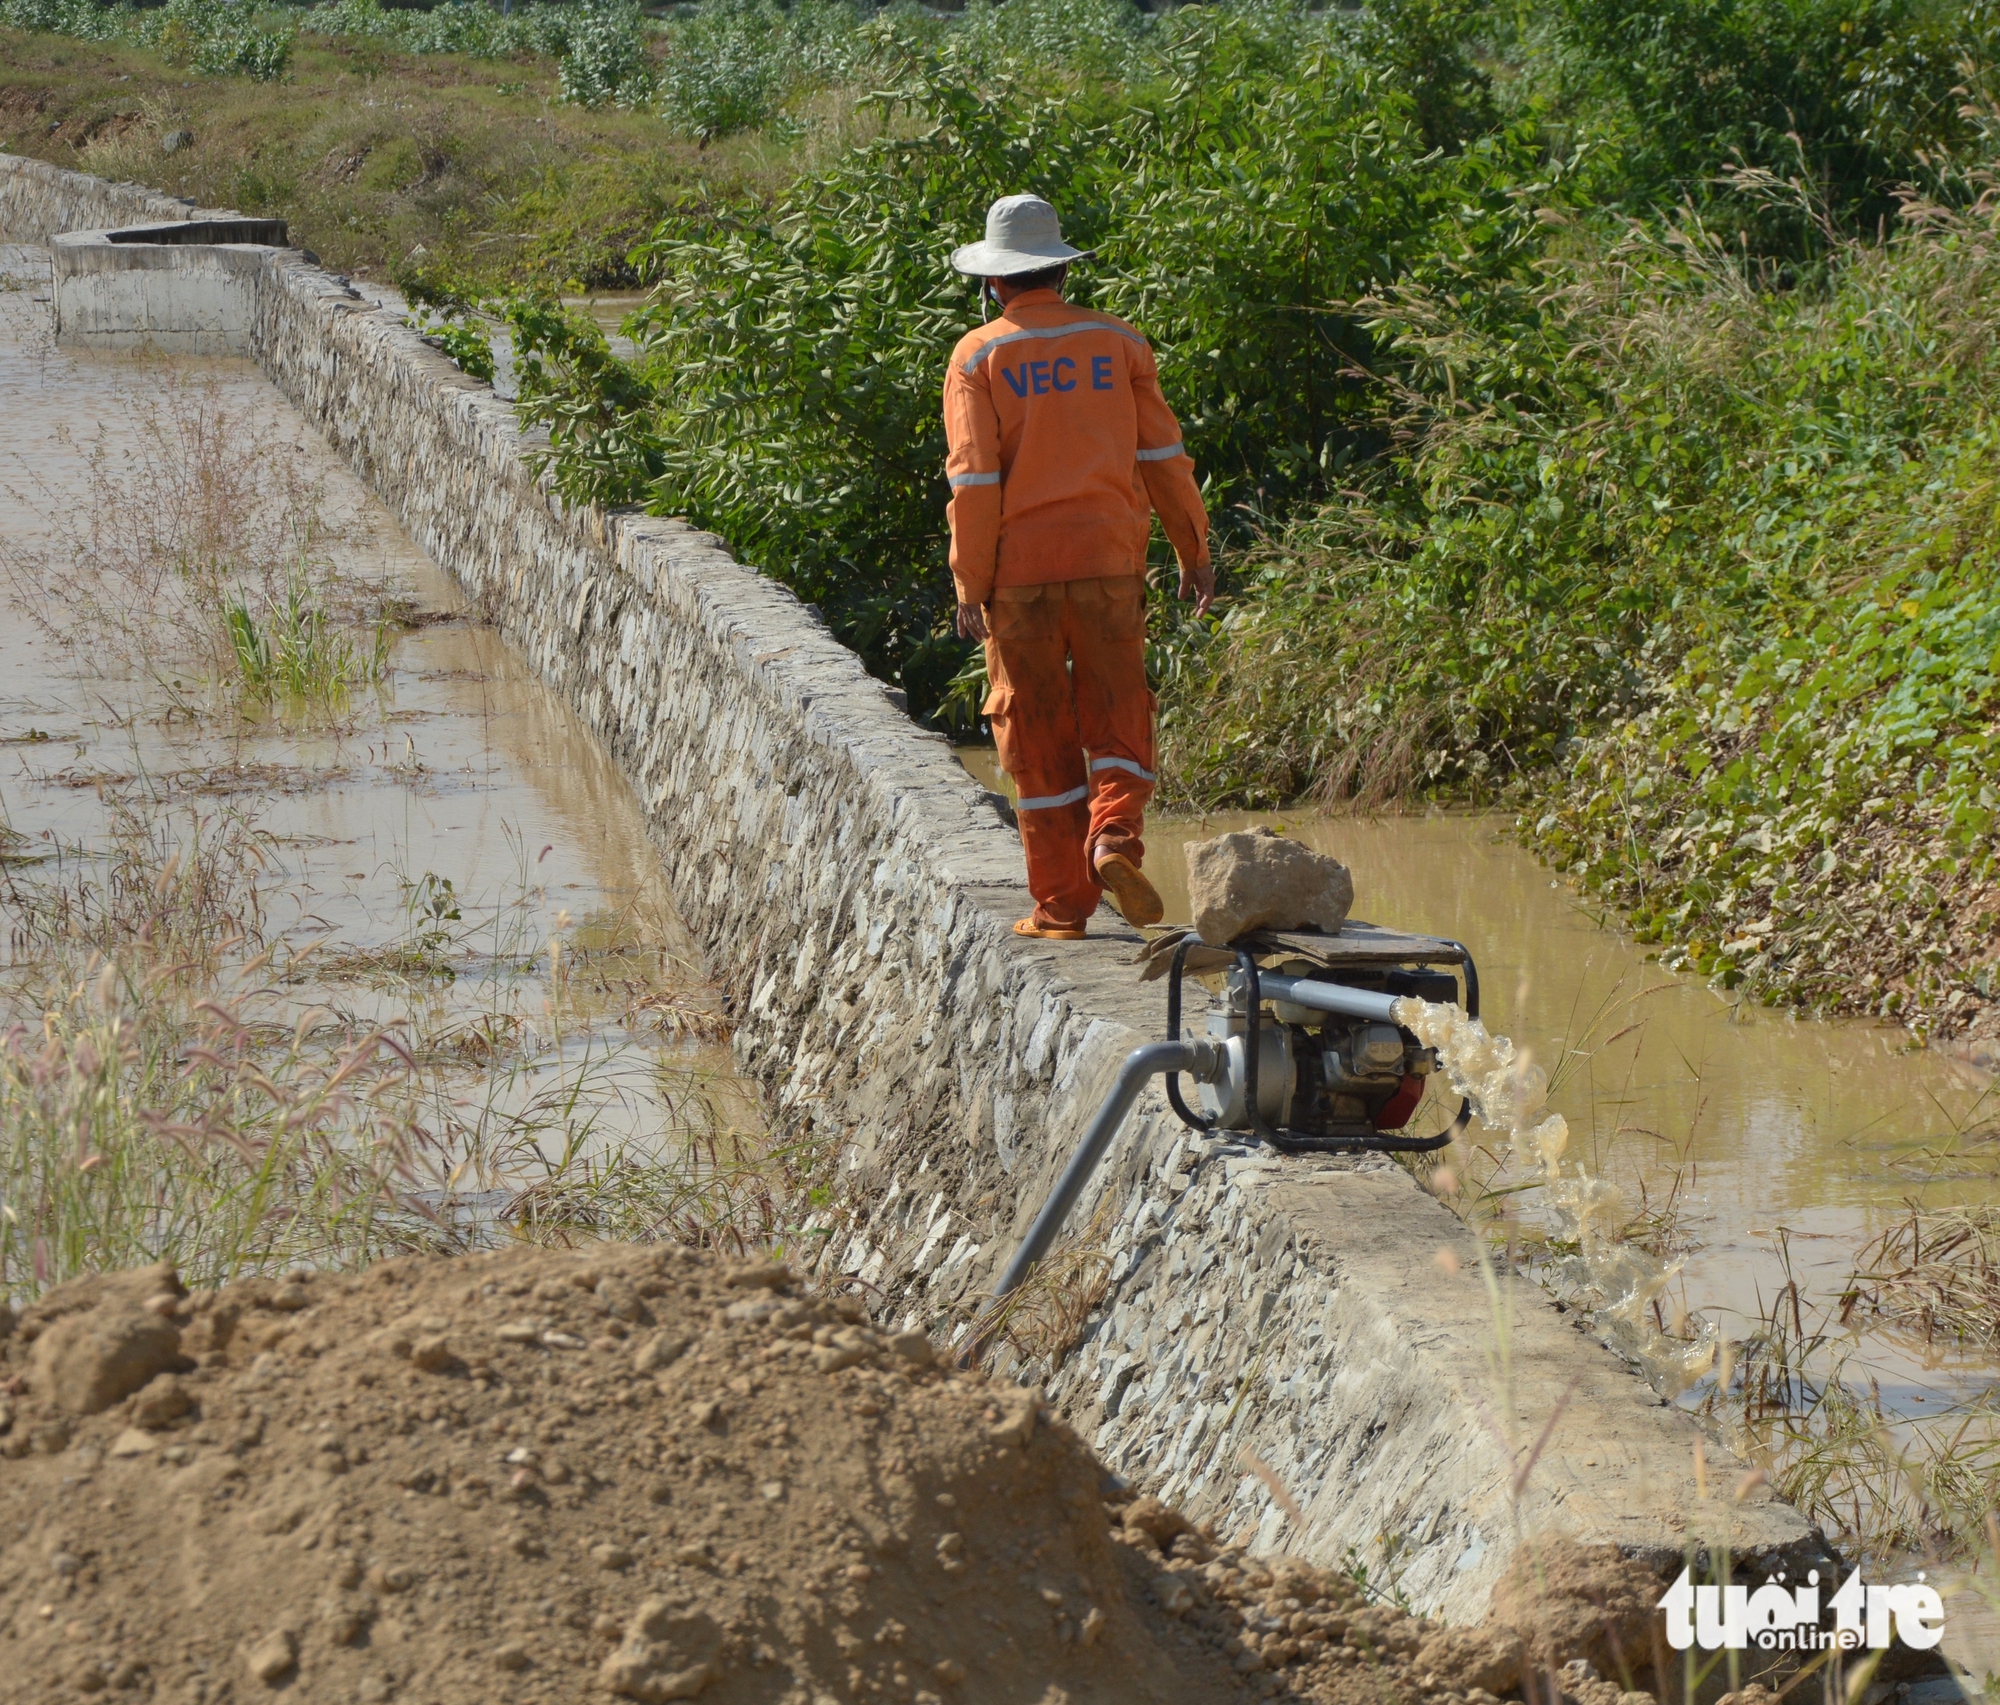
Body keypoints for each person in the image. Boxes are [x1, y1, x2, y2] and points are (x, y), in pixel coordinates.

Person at [943, 193, 1214, 942]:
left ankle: (1062, 907)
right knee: (1119, 714)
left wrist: (970, 581)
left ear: (996, 283)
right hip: (1109, 563)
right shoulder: (1120, 344)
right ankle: (1114, 840)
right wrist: (1194, 550)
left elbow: (973, 479)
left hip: (1018, 577)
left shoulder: (977, 355)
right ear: (1060, 270)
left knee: (1034, 734)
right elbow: (1163, 457)